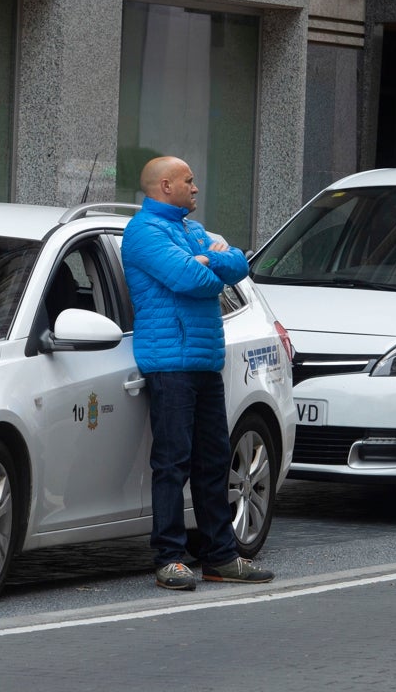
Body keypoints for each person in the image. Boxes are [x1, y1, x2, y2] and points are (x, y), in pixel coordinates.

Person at [121, 155, 275, 591]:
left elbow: (239, 266)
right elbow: (192, 279)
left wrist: (207, 259)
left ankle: (220, 557)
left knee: (213, 461)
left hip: (205, 360)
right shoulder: (143, 231)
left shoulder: (191, 230)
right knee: (173, 462)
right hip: (169, 362)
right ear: (165, 186)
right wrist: (207, 261)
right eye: (188, 181)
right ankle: (169, 557)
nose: (195, 188)